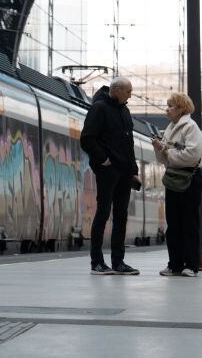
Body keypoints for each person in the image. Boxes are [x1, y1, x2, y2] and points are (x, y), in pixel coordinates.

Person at [80, 77, 141, 275]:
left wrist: (134, 171)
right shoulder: (99, 108)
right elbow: (87, 138)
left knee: (121, 216)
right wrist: (103, 159)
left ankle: (118, 262)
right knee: (103, 214)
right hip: (108, 170)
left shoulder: (125, 110)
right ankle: (96, 262)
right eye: (128, 92)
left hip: (124, 172)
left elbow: (129, 144)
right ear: (116, 90)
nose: (130, 96)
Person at [153, 92, 202, 277]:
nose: (167, 110)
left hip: (189, 178)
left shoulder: (190, 127)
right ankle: (174, 264)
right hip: (174, 177)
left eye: (172, 106)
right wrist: (160, 149)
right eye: (167, 106)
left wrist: (167, 151)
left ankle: (191, 265)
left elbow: (192, 155)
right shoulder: (170, 128)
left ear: (182, 109)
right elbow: (164, 160)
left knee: (189, 223)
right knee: (173, 223)